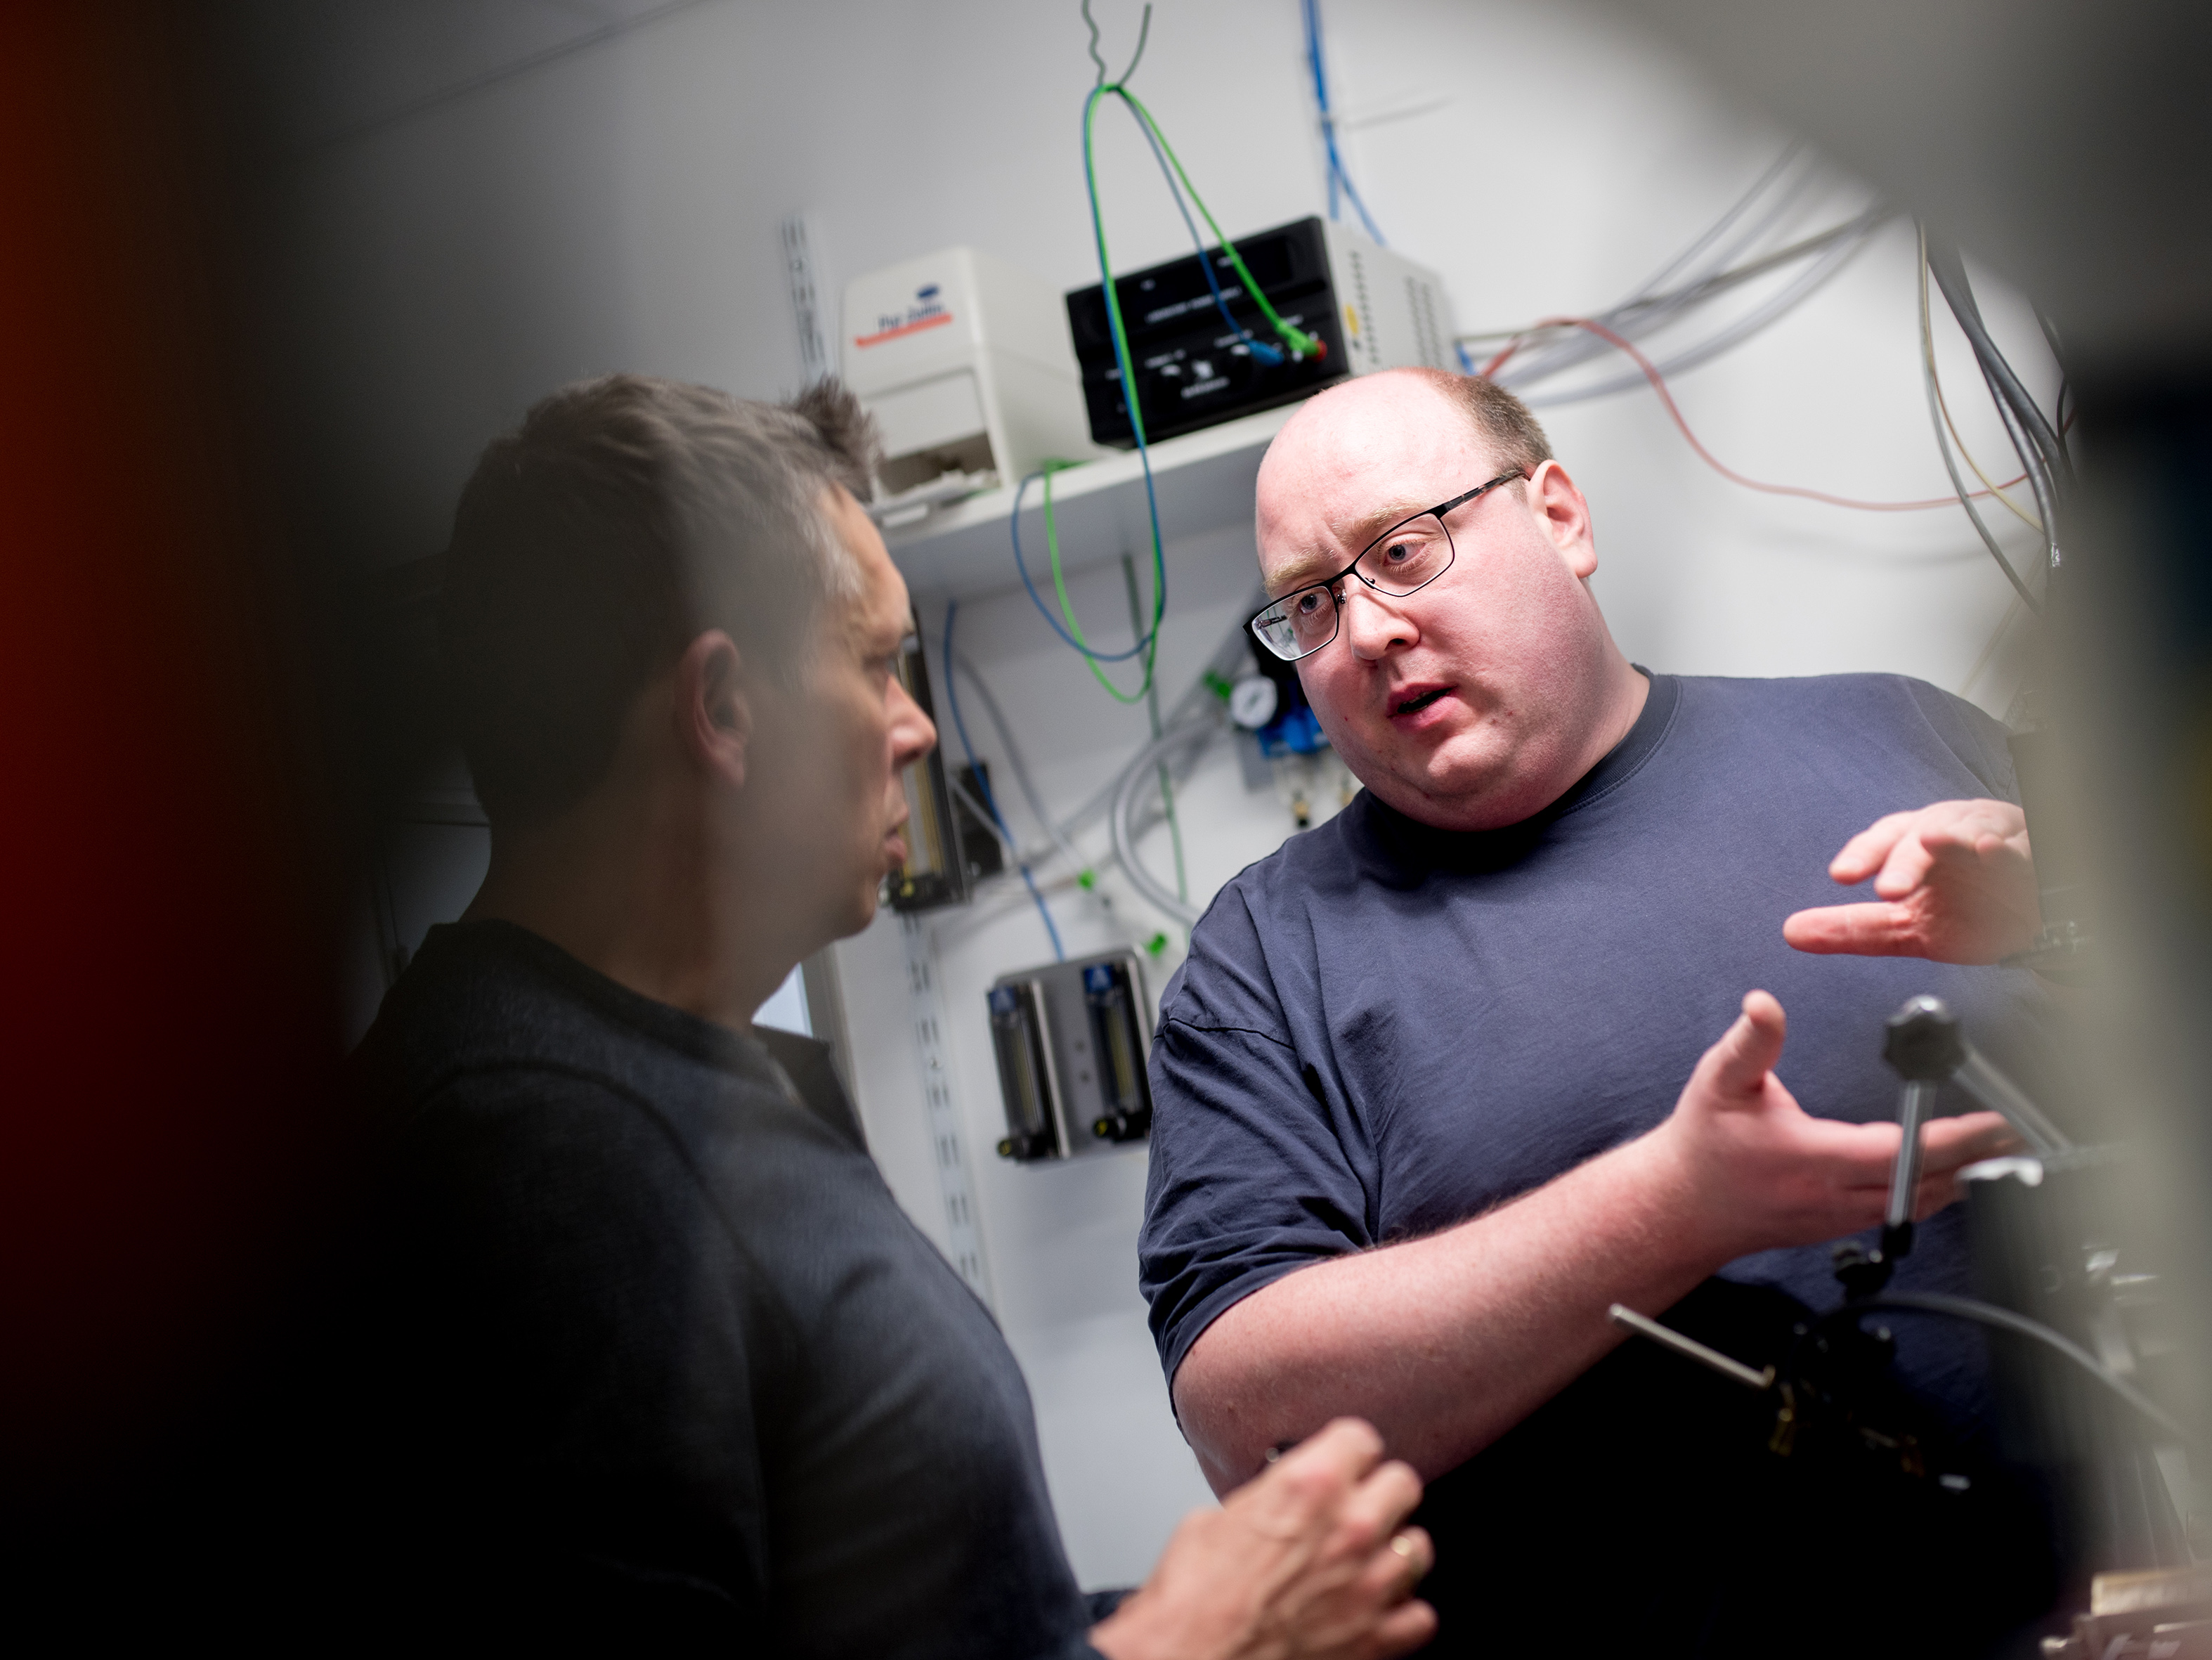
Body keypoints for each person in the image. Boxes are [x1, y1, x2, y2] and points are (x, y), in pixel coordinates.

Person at [349, 373, 1439, 1659]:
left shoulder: (663, 1083)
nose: (917, 728)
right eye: (876, 664)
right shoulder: (534, 1164)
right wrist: (1193, 1640)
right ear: (723, 708)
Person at [1138, 368, 2066, 1654]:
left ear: (1561, 517)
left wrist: (2079, 910)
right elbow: (1244, 1417)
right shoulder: (1268, 960)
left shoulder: (1901, 736)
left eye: (1402, 550)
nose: (1367, 630)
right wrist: (1670, 1208)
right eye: (1311, 602)